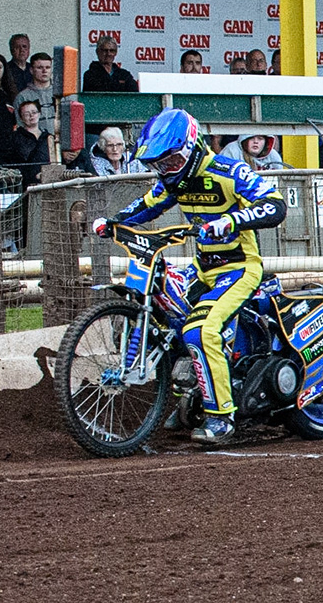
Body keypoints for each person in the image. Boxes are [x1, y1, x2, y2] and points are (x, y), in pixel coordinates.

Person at [92, 108, 288, 444]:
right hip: (203, 269)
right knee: (168, 316)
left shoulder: (228, 171)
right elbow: (147, 205)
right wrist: (113, 222)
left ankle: (221, 417)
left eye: (169, 161)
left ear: (191, 147)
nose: (164, 171)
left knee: (200, 330)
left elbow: (275, 204)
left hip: (239, 267)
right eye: (158, 165)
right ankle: (194, 397)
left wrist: (233, 220)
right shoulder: (176, 182)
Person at [5, 100, 51, 186]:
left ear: (39, 113)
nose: (31, 115)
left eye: (34, 112)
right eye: (26, 114)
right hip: (25, 183)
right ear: (21, 118)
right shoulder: (15, 137)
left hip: (47, 181)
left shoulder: (49, 137)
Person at [16, 51, 59, 140]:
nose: (44, 71)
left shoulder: (61, 94)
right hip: (34, 144)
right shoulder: (22, 97)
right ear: (31, 70)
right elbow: (20, 125)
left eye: (48, 67)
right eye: (40, 67)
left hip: (60, 143)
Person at [219, 134, 288, 169]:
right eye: (251, 138)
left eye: (260, 138)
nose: (255, 142)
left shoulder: (273, 155)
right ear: (244, 140)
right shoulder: (231, 151)